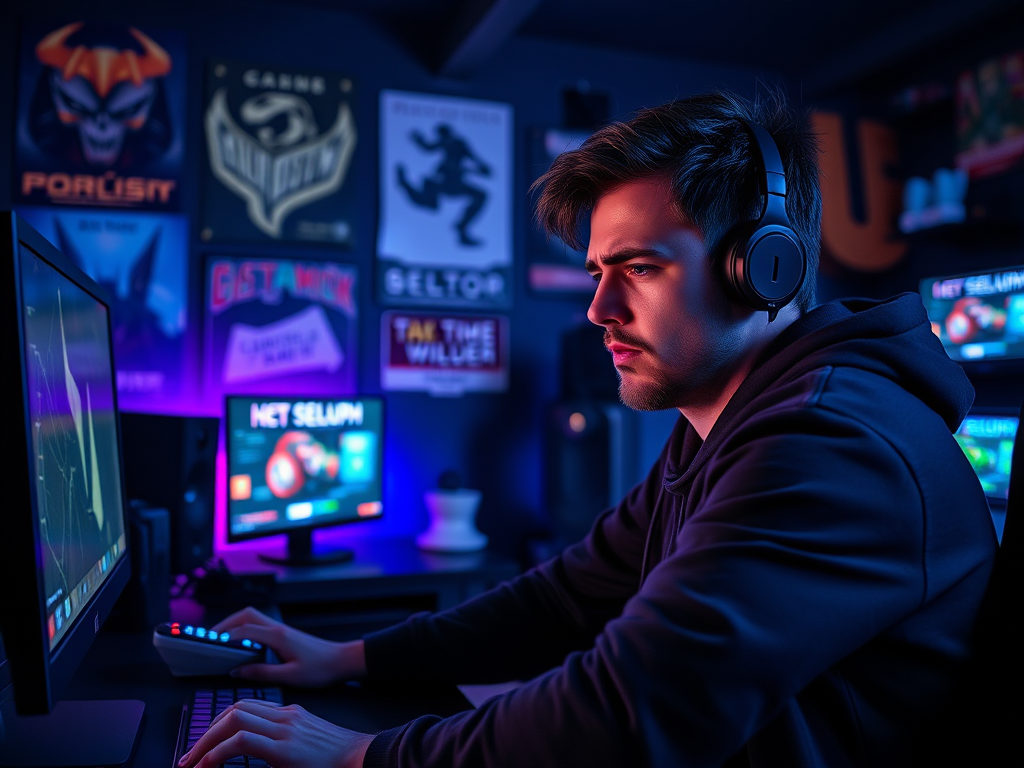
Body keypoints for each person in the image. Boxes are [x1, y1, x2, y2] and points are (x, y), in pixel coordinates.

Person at [178, 92, 997, 768]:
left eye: (640, 268)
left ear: (765, 266)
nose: (599, 311)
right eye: (598, 271)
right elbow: (569, 596)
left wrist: (365, 757)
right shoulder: (729, 421)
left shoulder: (830, 444)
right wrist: (346, 658)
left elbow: (630, 710)